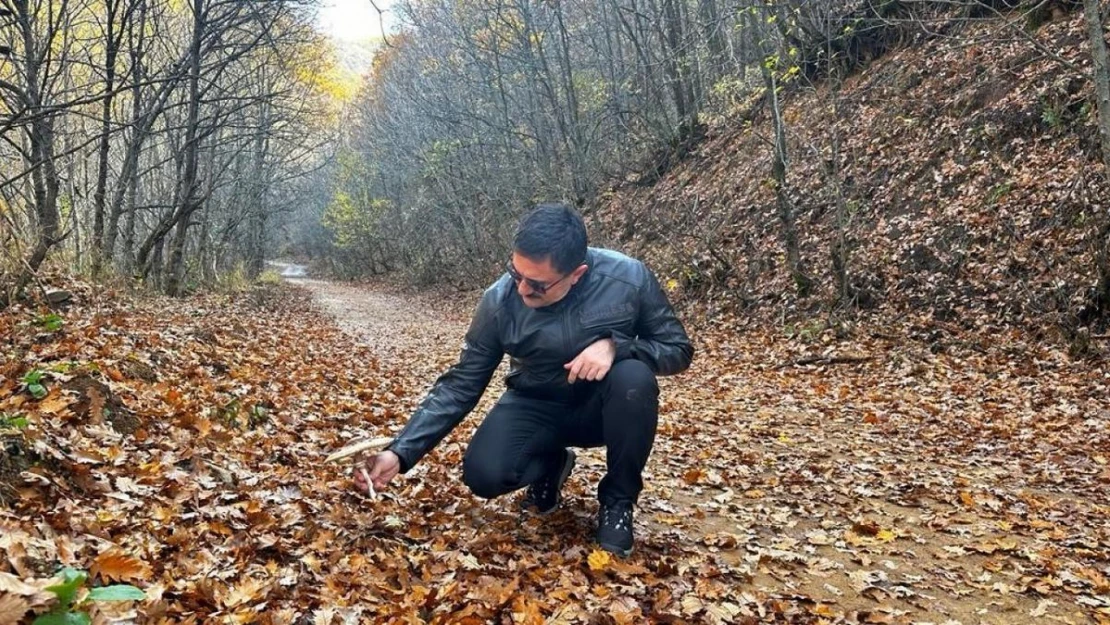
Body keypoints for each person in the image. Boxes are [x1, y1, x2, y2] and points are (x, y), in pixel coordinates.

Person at [354, 202, 693, 556]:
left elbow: (677, 349)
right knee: (483, 475)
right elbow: (461, 384)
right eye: (516, 274)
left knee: (634, 378)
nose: (522, 289)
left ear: (576, 274)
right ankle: (552, 465)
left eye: (537, 284)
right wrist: (400, 451)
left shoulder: (628, 278)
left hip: (604, 408)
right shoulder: (498, 301)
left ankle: (618, 502)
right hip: (536, 403)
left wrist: (616, 346)